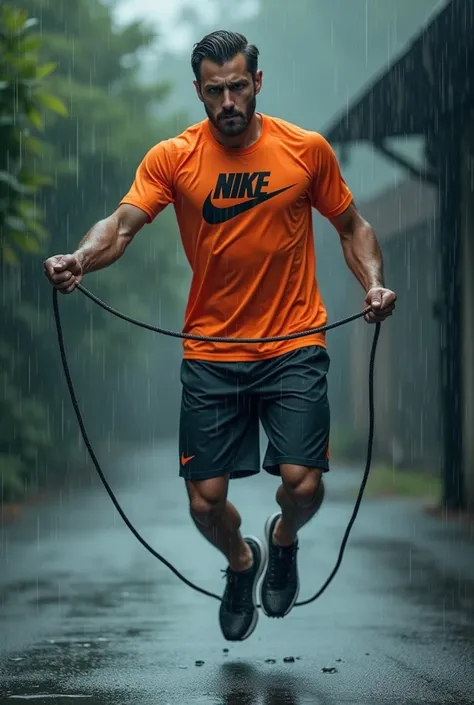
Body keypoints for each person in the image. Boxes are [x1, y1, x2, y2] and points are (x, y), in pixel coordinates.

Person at [43, 30, 396, 642]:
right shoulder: (173, 158)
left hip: (294, 341)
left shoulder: (305, 151)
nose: (228, 100)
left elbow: (352, 226)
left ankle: (283, 541)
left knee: (303, 484)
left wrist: (373, 284)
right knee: (204, 503)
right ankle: (242, 561)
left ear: (257, 82)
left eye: (238, 86)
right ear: (199, 92)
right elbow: (123, 226)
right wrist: (79, 256)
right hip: (212, 351)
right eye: (215, 90)